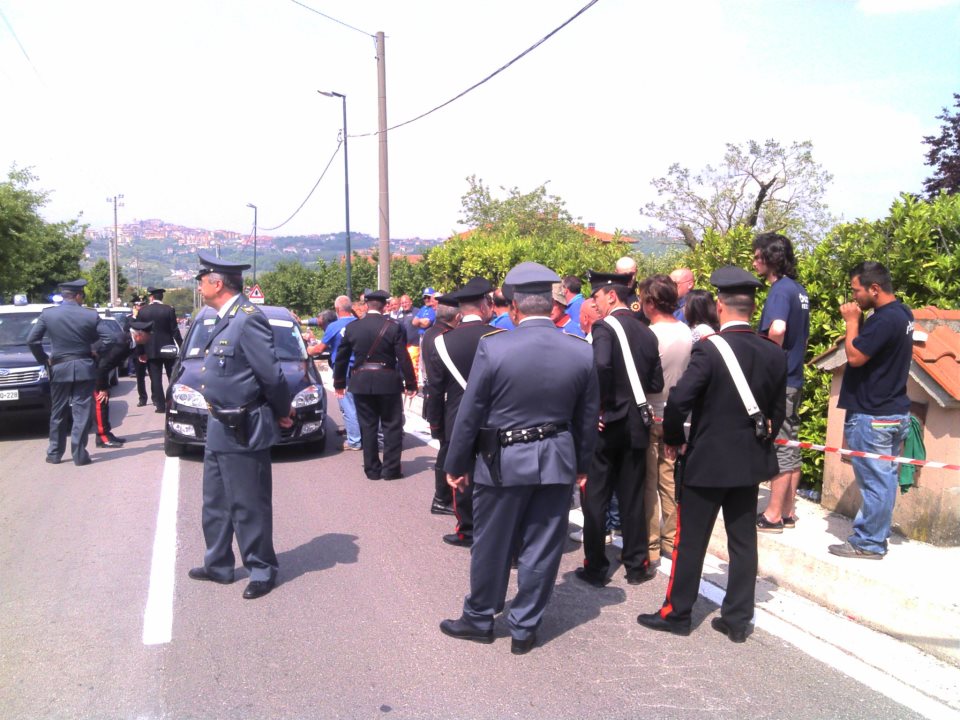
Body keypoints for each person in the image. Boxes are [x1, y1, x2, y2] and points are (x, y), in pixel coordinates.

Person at [439, 262, 599, 655]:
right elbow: (586, 415)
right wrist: (582, 466)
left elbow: (470, 413)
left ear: (513, 308)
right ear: (552, 305)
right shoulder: (580, 350)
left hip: (502, 461)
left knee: (492, 544)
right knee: (542, 546)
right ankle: (526, 626)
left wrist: (455, 465)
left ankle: (480, 618)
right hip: (557, 459)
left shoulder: (494, 347)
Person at [637, 266, 786, 642]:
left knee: (691, 541)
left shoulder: (710, 348)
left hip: (707, 461)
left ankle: (677, 614)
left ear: (720, 306)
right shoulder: (772, 352)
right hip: (749, 462)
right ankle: (737, 620)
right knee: (743, 542)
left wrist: (673, 438)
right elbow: (778, 413)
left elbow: (679, 402)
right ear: (752, 308)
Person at [186, 251, 293, 600]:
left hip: (245, 423)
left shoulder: (248, 319)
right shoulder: (223, 317)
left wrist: (283, 410)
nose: (200, 285)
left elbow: (271, 375)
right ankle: (217, 564)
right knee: (214, 502)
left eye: (203, 280)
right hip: (219, 422)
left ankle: (262, 568)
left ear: (217, 283)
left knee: (249, 503)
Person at [576, 270, 663, 588]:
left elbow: (600, 366)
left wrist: (600, 405)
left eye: (597, 296)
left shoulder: (604, 327)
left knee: (596, 495)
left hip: (608, 422)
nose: (595, 303)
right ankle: (637, 564)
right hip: (637, 422)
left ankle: (596, 565)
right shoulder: (647, 332)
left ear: (611, 296)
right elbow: (656, 382)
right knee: (632, 495)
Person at [829, 261, 913, 560]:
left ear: (874, 289)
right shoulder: (902, 313)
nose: (854, 299)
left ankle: (869, 543)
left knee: (877, 482)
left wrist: (852, 321)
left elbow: (855, 357)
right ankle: (875, 535)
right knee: (885, 479)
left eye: (857, 291)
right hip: (893, 412)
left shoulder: (883, 321)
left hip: (873, 414)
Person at [425, 278, 494, 544]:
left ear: (460, 310)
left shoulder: (442, 342)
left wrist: (435, 424)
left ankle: (467, 529)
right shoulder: (498, 336)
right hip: (493, 417)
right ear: (484, 305)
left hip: (456, 416)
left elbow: (435, 389)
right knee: (492, 472)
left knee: (461, 474)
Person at [753, 232, 811, 534]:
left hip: (780, 380)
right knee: (791, 441)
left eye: (757, 255)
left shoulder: (779, 290)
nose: (753, 261)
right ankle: (787, 510)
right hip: (794, 376)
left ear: (771, 258)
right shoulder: (798, 290)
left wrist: (766, 359)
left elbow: (777, 328)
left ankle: (773, 515)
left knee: (780, 445)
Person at [27, 279, 115, 466]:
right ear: (77, 295)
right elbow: (112, 338)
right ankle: (79, 454)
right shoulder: (90, 315)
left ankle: (54, 453)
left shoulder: (48, 314)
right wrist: (96, 351)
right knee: (81, 411)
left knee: (58, 411)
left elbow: (32, 340)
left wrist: (44, 359)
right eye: (82, 296)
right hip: (84, 367)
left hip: (58, 368)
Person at [637, 274, 692, 567]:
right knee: (669, 480)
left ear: (650, 301)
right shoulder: (687, 332)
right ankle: (671, 540)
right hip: (677, 415)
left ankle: (651, 544)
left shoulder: (649, 335)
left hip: (649, 411)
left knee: (649, 481)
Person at [333, 290, 417, 480]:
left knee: (368, 426)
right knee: (391, 426)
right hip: (388, 381)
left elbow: (341, 358)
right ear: (384, 306)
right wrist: (411, 383)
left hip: (361, 381)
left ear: (366, 306)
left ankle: (372, 470)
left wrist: (339, 382)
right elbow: (403, 358)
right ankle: (391, 469)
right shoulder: (393, 327)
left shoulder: (353, 328)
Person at [421, 292, 461, 515]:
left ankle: (443, 496)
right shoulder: (443, 337)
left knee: (445, 449)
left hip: (437, 398)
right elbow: (439, 381)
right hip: (444, 400)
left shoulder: (431, 332)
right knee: (446, 450)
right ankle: (441, 497)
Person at [93, 319, 153, 448]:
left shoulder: (131, 340)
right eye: (148, 335)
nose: (150, 337)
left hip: (102, 370)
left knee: (104, 403)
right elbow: (102, 366)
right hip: (95, 371)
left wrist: (141, 354)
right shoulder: (121, 343)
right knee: (100, 403)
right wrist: (102, 388)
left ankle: (106, 433)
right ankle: (102, 437)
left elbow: (138, 346)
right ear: (139, 335)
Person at [313, 296, 361, 451]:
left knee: (348, 406)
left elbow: (319, 349)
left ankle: (354, 441)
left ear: (337, 309)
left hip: (343, 371)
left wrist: (307, 350)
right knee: (360, 405)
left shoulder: (334, 327)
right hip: (361, 369)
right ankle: (358, 433)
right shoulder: (359, 323)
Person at [135, 286, 183, 413]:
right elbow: (175, 331)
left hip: (150, 349)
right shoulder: (169, 310)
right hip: (168, 348)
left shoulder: (143, 311)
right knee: (172, 377)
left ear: (151, 297)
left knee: (155, 378)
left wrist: (141, 352)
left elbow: (139, 333)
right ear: (162, 297)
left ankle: (161, 406)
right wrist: (183, 347)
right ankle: (174, 403)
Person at [131, 296, 149, 405]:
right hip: (137, 352)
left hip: (149, 349)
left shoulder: (148, 317)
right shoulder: (130, 318)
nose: (140, 307)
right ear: (134, 306)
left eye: (142, 305)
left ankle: (156, 397)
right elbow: (126, 330)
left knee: (153, 376)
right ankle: (142, 398)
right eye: (138, 305)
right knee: (140, 377)